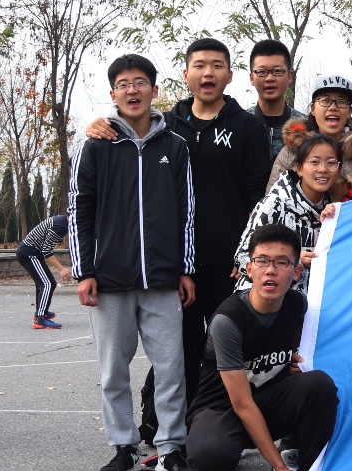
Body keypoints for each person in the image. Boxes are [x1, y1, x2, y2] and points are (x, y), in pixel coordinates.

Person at [87, 38, 271, 446]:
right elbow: (127, 131)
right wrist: (97, 123)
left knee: (230, 348)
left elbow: (256, 196)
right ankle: (166, 432)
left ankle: (225, 429)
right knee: (175, 354)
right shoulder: (166, 126)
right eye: (199, 65)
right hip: (173, 264)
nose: (208, 73)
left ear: (230, 75)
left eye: (217, 65)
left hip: (229, 263)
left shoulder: (247, 127)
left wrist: (249, 255)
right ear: (185, 74)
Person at [69, 53, 197, 471]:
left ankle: (170, 448)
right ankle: (123, 446)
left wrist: (186, 268)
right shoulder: (95, 146)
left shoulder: (174, 146)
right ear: (113, 93)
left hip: (162, 279)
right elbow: (79, 210)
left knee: (171, 368)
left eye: (140, 82)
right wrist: (84, 270)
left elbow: (187, 212)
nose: (132, 90)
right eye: (123, 84)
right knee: (113, 370)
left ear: (154, 90)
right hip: (110, 280)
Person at [186, 224, 351, 471]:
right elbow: (242, 404)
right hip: (223, 410)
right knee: (209, 454)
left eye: (281, 262)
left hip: (267, 402)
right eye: (262, 261)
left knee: (319, 385)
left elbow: (308, 352)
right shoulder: (228, 320)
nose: (270, 270)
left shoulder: (298, 306)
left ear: (296, 272)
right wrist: (280, 468)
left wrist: (298, 365)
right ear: (249, 269)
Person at [234, 134, 341, 296]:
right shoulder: (275, 204)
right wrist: (293, 261)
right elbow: (242, 258)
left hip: (311, 302)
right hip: (264, 301)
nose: (323, 169)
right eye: (314, 162)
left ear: (338, 170)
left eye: (331, 162)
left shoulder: (333, 210)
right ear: (299, 169)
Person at [268, 73, 352, 192]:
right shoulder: (292, 151)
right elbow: (273, 195)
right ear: (313, 109)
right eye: (325, 100)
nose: (333, 107)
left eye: (341, 101)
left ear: (349, 111)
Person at [247, 39, 302, 164]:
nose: (269, 78)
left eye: (277, 71)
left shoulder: (304, 126)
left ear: (289, 76)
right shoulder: (240, 124)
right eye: (262, 72)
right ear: (251, 78)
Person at [17, 213, 70, 329]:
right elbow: (47, 251)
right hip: (29, 253)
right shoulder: (61, 226)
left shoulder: (61, 221)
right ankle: (40, 318)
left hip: (34, 253)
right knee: (47, 284)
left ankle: (41, 311)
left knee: (49, 283)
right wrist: (61, 269)